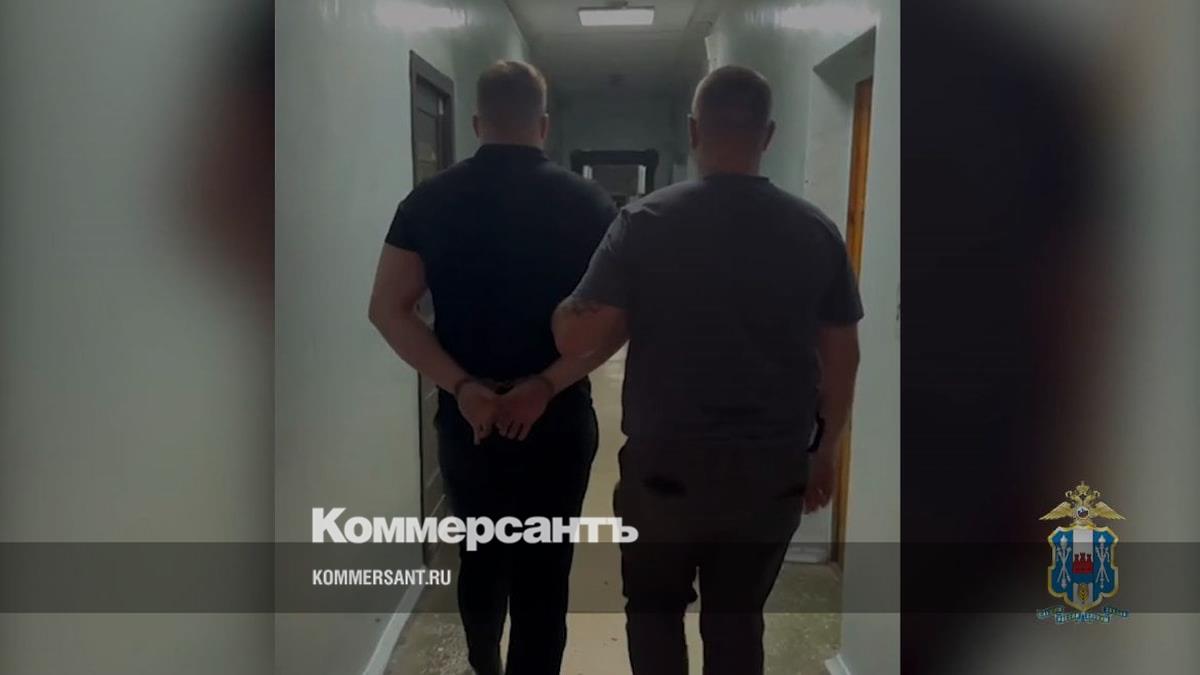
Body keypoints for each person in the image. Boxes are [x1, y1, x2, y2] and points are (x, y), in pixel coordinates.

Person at [552, 65, 863, 675]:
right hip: (771, 470)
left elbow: (577, 337)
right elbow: (842, 357)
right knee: (738, 619)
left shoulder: (645, 222)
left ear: (694, 131)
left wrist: (569, 305)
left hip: (666, 471)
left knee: (653, 610)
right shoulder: (816, 231)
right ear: (767, 135)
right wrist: (825, 453)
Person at [368, 60, 617, 675]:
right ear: (544, 124)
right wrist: (546, 385)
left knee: (481, 560)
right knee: (544, 573)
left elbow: (388, 309)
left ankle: (484, 663)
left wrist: (463, 387)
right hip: (557, 417)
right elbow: (618, 320)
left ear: (478, 122)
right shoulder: (590, 203)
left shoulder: (427, 201)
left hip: (469, 420)